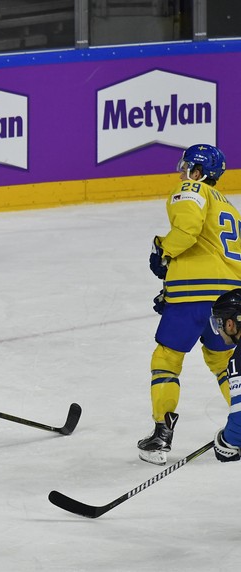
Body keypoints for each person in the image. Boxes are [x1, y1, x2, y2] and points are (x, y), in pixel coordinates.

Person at [139, 143, 240, 465]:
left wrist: (164, 251)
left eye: (188, 168)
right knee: (225, 363)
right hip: (230, 297)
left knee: (167, 358)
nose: (183, 173)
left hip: (192, 295)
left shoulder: (191, 189)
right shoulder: (229, 207)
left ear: (198, 172)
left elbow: (187, 230)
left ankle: (160, 435)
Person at [208, 289, 241, 463]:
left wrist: (227, 442)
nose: (219, 331)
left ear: (230, 324)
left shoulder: (238, 360)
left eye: (218, 324)